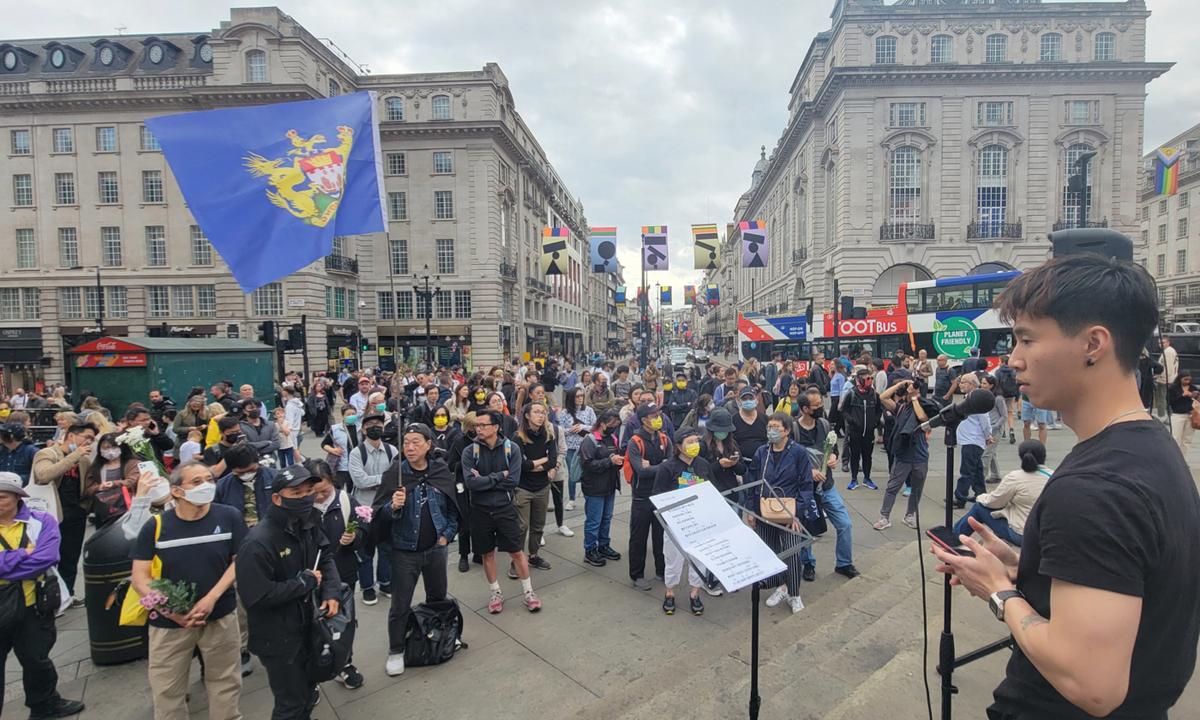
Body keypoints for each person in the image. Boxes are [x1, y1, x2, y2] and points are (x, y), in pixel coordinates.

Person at [932, 254, 1200, 719]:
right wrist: (1027, 566)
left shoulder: (1095, 489)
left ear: (1093, 343)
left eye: (1027, 339)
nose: (1013, 360)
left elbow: (1092, 683)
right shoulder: (1149, 447)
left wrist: (999, 592)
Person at [131, 461, 244, 720]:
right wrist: (171, 612)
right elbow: (140, 579)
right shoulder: (156, 526)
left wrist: (212, 598)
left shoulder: (228, 516)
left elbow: (239, 562)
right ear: (176, 491)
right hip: (169, 625)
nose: (205, 486)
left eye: (209, 480)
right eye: (196, 482)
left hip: (221, 616)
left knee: (225, 681)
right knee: (167, 689)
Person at [236, 464, 340, 719]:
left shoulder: (308, 521)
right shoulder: (258, 542)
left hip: (308, 627)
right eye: (296, 493)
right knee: (290, 704)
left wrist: (331, 591)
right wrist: (304, 584)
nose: (305, 497)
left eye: (308, 491)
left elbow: (324, 557)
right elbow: (256, 596)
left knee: (306, 694)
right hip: (279, 639)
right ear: (276, 498)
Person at [374, 423, 458, 677]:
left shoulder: (440, 471)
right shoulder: (395, 475)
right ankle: (396, 650)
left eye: (416, 442)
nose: (410, 447)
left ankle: (441, 636)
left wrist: (446, 536)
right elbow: (379, 514)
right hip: (404, 553)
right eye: (406, 442)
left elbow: (452, 507)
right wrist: (393, 506)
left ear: (428, 444)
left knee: (438, 597)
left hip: (436, 550)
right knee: (400, 605)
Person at [0, 472, 86, 720]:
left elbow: (45, 559)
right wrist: (21, 555)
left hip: (34, 604)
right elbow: (33, 559)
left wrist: (9, 565)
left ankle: (45, 704)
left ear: (17, 497)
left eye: (2, 496)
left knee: (37, 659)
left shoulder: (41, 521)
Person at [462, 410, 540, 613]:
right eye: (476, 425)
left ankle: (528, 592)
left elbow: (513, 481)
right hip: (480, 511)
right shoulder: (470, 452)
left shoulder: (511, 449)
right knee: (487, 553)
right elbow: (471, 483)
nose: (478, 429)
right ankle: (495, 592)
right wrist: (499, 476)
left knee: (516, 551)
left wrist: (485, 479)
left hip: (505, 509)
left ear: (495, 427)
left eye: (483, 425)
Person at [746, 413, 813, 614]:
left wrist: (797, 513)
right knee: (771, 551)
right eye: (770, 427)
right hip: (765, 510)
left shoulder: (798, 453)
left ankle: (795, 593)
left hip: (789, 511)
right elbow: (753, 481)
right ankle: (780, 586)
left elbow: (806, 485)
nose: (772, 431)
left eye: (776, 427)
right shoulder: (762, 452)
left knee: (792, 553)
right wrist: (751, 509)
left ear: (787, 430)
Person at [306, 459, 364, 690]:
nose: (319, 497)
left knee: (343, 622)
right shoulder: (301, 507)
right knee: (311, 625)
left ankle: (343, 662)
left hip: (343, 572)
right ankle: (312, 675)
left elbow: (362, 527)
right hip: (311, 577)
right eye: (314, 492)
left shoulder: (345, 500)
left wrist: (355, 537)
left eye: (324, 491)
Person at [792, 388, 858, 580]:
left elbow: (833, 447)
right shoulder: (794, 430)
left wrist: (834, 457)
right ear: (804, 409)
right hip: (805, 491)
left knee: (845, 524)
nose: (821, 408)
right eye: (816, 406)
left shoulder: (824, 424)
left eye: (821, 404)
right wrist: (808, 472)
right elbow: (789, 461)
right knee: (807, 530)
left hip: (826, 486)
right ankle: (808, 564)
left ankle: (844, 563)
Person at [31, 422, 96, 605]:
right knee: (49, 557)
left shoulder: (83, 460)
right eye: (87, 437)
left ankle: (67, 596)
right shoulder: (47, 453)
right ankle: (47, 597)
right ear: (71, 435)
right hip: (51, 514)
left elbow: (88, 484)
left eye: (92, 439)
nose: (89, 442)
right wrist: (74, 456)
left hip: (75, 514)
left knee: (70, 558)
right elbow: (43, 475)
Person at [652, 427, 713, 615]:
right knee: (672, 559)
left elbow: (709, 491)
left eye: (696, 441)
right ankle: (670, 592)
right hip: (675, 523)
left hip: (699, 521)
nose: (695, 445)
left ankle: (695, 593)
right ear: (678, 446)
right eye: (690, 442)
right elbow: (657, 496)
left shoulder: (703, 464)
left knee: (699, 559)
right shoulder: (667, 468)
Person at [952, 440, 1050, 547]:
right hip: (1048, 535)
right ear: (1044, 456)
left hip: (1023, 535)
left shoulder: (1016, 477)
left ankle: (953, 540)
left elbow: (993, 502)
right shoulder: (1054, 475)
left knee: (979, 508)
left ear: (1021, 456)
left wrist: (981, 497)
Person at [348, 413, 397, 606]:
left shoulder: (391, 449)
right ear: (363, 429)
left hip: (385, 507)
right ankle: (367, 587)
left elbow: (396, 474)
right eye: (370, 424)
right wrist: (384, 480)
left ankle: (385, 582)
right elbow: (359, 480)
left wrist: (381, 482)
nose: (375, 427)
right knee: (365, 550)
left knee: (386, 548)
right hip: (364, 508)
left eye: (378, 423)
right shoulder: (356, 453)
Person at [625, 403, 671, 591]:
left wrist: (652, 466)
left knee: (661, 536)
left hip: (661, 495)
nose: (658, 418)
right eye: (654, 415)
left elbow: (671, 466)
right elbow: (640, 472)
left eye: (658, 414)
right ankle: (637, 575)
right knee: (639, 537)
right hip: (642, 497)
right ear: (644, 420)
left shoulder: (664, 438)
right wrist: (662, 466)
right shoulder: (635, 442)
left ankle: (662, 570)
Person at [874, 379, 930, 530]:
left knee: (917, 488)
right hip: (904, 455)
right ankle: (884, 517)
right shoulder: (901, 409)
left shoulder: (924, 406)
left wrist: (914, 397)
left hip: (920, 455)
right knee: (893, 487)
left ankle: (910, 515)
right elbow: (883, 397)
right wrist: (900, 385)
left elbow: (923, 418)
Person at [511, 402, 557, 574]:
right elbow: (520, 465)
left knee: (538, 525)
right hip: (523, 487)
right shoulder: (518, 437)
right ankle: (517, 560)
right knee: (522, 527)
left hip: (542, 487)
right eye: (537, 412)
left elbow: (552, 461)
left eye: (543, 412)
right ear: (527, 416)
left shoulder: (548, 435)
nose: (541, 415)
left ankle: (533, 555)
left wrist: (534, 464)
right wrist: (540, 462)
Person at [578, 410, 623, 567]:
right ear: (602, 424)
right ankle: (590, 550)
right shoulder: (590, 440)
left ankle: (604, 545)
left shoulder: (613, 439)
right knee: (594, 521)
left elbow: (616, 460)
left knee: (606, 518)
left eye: (616, 426)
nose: (614, 428)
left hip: (609, 485)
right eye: (611, 425)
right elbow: (588, 464)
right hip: (594, 487)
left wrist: (619, 461)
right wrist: (609, 462)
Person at [952, 372, 991, 508]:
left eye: (963, 382)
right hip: (970, 439)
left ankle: (960, 497)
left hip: (973, 440)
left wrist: (988, 435)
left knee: (966, 471)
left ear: (972, 384)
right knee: (977, 470)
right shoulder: (969, 397)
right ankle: (980, 494)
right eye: (960, 381)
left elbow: (984, 420)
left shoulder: (977, 399)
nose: (960, 384)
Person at [840, 367, 881, 490]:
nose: (870, 381)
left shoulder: (874, 395)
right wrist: (852, 421)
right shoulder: (852, 393)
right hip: (855, 432)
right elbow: (843, 410)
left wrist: (875, 422)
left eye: (871, 378)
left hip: (869, 432)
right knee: (855, 456)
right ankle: (854, 479)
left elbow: (879, 410)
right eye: (867, 379)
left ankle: (867, 478)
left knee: (868, 456)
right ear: (859, 380)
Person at [557, 387, 595, 513]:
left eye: (581, 396)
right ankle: (572, 499)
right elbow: (560, 430)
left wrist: (583, 427)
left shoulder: (589, 410)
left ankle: (588, 496)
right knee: (573, 473)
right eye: (577, 396)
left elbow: (595, 427)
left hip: (586, 447)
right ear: (571, 398)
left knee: (587, 472)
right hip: (571, 448)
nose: (580, 398)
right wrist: (570, 430)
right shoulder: (564, 413)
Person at [321, 405, 360, 489]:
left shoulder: (361, 428)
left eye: (353, 414)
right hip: (342, 466)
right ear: (343, 416)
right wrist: (333, 450)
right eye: (348, 414)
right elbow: (324, 444)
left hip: (358, 465)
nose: (351, 416)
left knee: (354, 490)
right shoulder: (335, 429)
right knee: (339, 489)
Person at [979, 374, 1008, 483]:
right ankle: (995, 475)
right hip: (986, 429)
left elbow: (1004, 415)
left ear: (991, 385)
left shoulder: (998, 398)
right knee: (991, 453)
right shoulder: (983, 396)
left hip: (995, 430)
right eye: (981, 383)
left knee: (986, 454)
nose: (982, 385)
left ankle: (981, 478)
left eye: (984, 383)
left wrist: (995, 426)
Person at [1167, 373, 1198, 453]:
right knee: (1176, 437)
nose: (1187, 382)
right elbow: (1170, 401)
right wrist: (1182, 395)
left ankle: (1183, 459)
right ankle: (1176, 458)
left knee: (1187, 439)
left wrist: (1194, 396)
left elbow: (1197, 401)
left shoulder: (1193, 388)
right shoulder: (1173, 388)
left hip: (1190, 415)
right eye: (1185, 379)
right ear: (1180, 379)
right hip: (1178, 414)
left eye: (1189, 380)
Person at [0, 422, 38, 487]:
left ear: (11, 436)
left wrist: (15, 480)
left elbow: (37, 475)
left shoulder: (31, 451)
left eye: (1, 433)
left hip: (25, 491)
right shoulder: (2, 450)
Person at [994, 356, 1020, 444]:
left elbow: (996, 383)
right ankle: (1011, 430)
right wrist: (1017, 395)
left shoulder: (998, 371)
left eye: (999, 361)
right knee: (1010, 413)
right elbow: (1017, 383)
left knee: (1001, 413)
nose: (998, 363)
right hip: (1011, 394)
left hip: (1001, 395)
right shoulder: (1013, 371)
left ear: (1003, 362)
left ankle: (1003, 431)